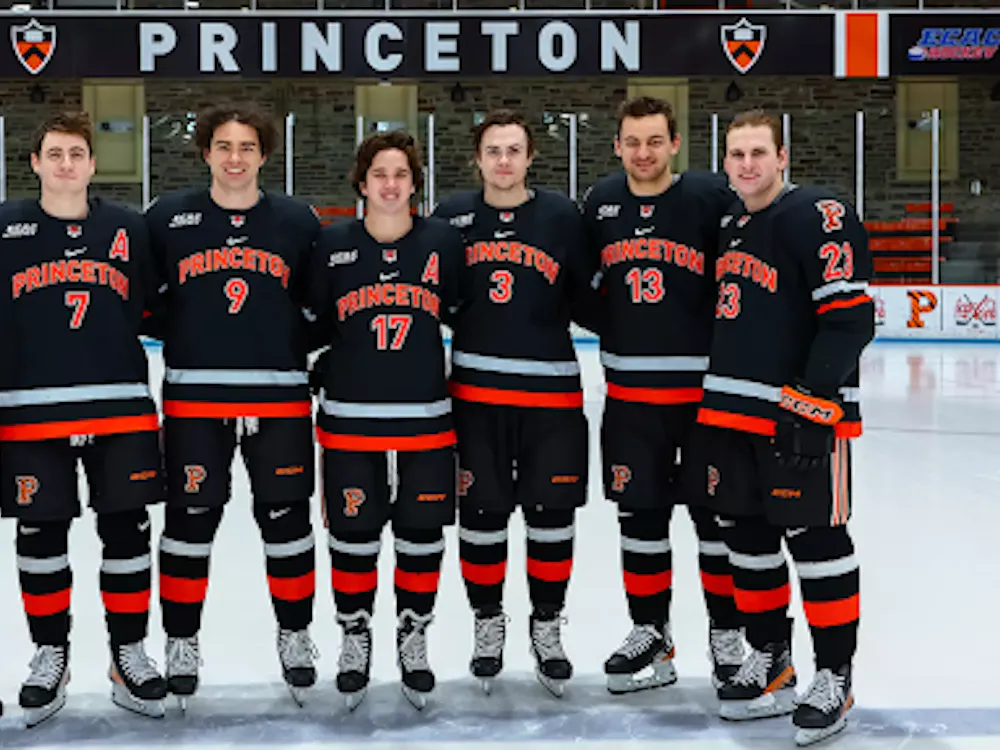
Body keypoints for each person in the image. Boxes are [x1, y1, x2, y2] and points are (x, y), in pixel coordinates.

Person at [692, 109, 871, 747]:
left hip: (798, 418)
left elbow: (850, 320)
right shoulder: (733, 223)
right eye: (736, 154)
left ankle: (834, 674)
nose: (747, 165)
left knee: (818, 543)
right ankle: (772, 658)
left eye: (758, 153)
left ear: (782, 156)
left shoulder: (817, 214)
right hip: (729, 415)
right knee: (746, 543)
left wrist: (810, 400)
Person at [143, 103, 322, 709]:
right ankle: (181, 640)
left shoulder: (297, 221)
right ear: (206, 152)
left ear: (264, 155)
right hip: (195, 398)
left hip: (279, 398)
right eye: (224, 145)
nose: (235, 157)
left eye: (247, 146)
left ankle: (295, 636)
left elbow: (318, 302)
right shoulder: (168, 218)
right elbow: (147, 300)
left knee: (287, 522)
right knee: (190, 522)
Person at [0, 111, 167, 726]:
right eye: (55, 154)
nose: (66, 164)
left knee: (127, 534)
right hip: (28, 411)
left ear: (93, 165)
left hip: (119, 405)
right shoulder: (6, 228)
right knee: (40, 537)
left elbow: (153, 307)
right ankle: (52, 654)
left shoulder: (129, 228)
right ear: (35, 163)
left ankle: (128, 655)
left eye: (76, 154)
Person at [433, 109, 602, 697]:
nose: (503, 161)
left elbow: (591, 296)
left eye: (513, 150)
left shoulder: (562, 216)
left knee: (552, 517)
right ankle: (488, 623)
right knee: (481, 517)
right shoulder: (451, 217)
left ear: (530, 157)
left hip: (551, 396)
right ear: (476, 159)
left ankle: (547, 626)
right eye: (493, 151)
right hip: (475, 399)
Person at [580, 95, 744, 695]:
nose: (643, 153)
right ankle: (651, 631)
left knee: (715, 521)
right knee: (639, 519)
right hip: (630, 398)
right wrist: (622, 328)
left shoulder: (710, 198)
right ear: (617, 146)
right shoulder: (601, 202)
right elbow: (583, 288)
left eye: (654, 141)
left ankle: (728, 634)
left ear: (675, 143)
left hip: (705, 398)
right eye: (632, 142)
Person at [306, 130, 465, 712]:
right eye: (380, 174)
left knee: (421, 535)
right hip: (350, 421)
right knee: (353, 535)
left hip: (427, 419)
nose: (390, 185)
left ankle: (413, 633)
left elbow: (464, 313)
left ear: (415, 183)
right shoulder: (332, 245)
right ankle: (354, 633)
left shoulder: (442, 243)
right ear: (362, 183)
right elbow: (312, 320)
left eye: (401, 174)